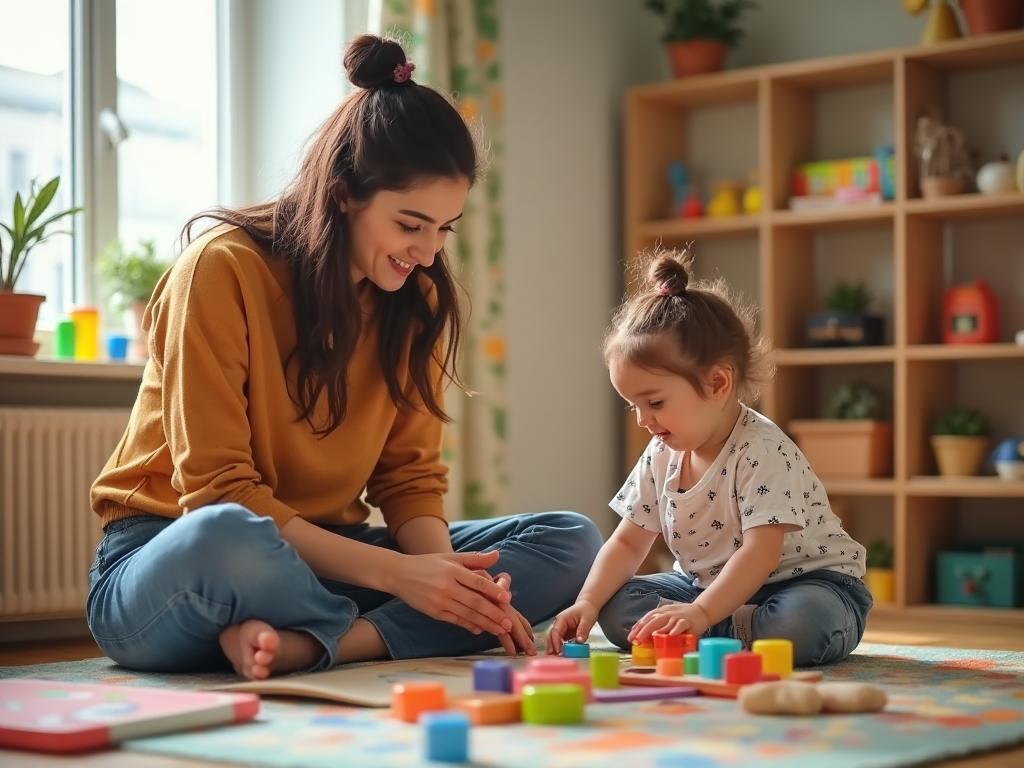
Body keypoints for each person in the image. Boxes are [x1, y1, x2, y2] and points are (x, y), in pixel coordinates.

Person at [88, 34, 601, 681]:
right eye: (411, 225)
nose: (428, 252)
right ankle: (366, 630)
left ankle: (317, 641)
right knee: (230, 537)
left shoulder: (410, 303)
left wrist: (442, 577)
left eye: (445, 229)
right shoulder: (221, 271)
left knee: (568, 540)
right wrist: (403, 579)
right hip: (173, 555)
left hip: (328, 555)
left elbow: (409, 478)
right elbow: (218, 492)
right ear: (342, 195)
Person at [548, 249, 871, 666]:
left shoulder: (761, 449)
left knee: (802, 623)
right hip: (707, 589)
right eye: (633, 406)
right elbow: (628, 542)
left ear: (717, 383)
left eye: (655, 402)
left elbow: (761, 553)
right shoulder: (661, 453)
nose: (644, 420)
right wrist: (587, 604)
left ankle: (714, 628)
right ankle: (730, 630)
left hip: (807, 585)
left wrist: (700, 614)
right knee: (620, 608)